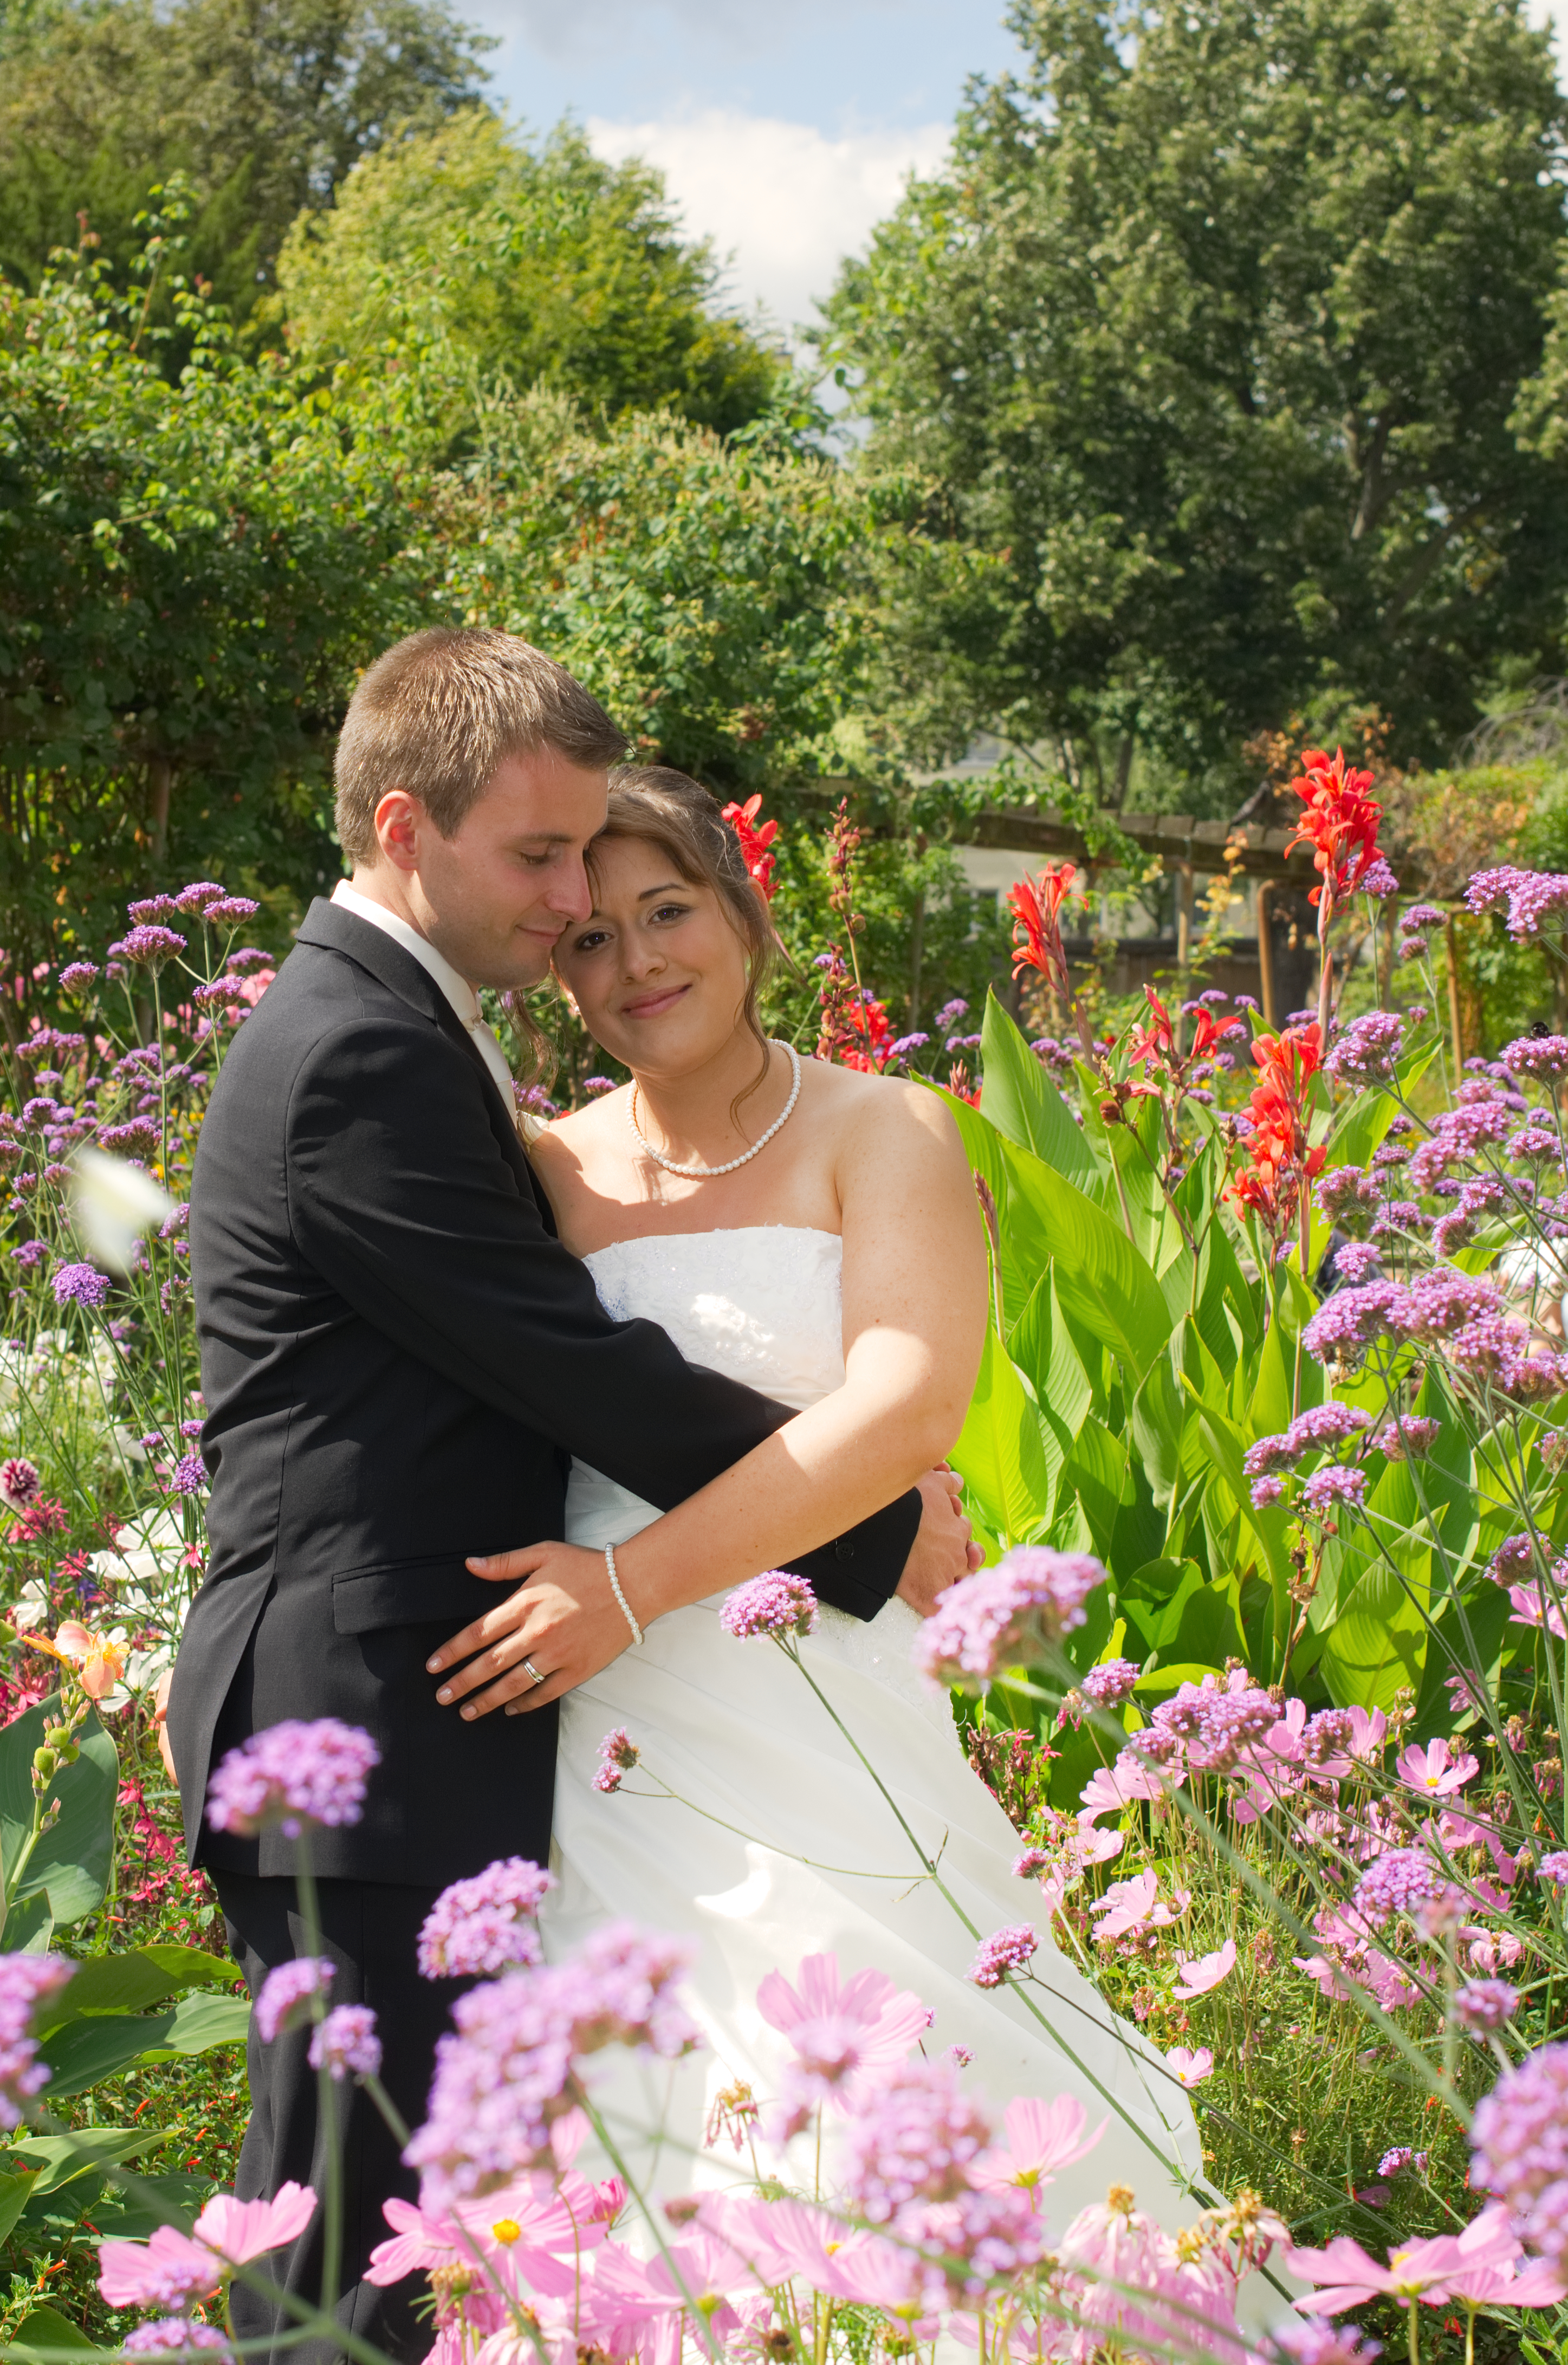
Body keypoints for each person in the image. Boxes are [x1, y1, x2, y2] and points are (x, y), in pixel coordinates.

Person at [164, 632, 975, 2363]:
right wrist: (877, 1528)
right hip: (374, 1713)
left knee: (452, 2236)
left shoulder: (416, 1035)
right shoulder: (360, 1055)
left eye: (624, 883)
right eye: (544, 868)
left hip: (511, 1713)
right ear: (405, 828)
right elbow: (570, 1366)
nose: (574, 917)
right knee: (348, 2265)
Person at [439, 766, 1205, 2236]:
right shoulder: (541, 1170)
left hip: (825, 1685)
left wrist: (630, 1586)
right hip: (610, 1727)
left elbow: (905, 1409)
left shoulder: (885, 1130)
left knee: (900, 2088)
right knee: (649, 2133)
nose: (639, 961)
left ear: (746, 909)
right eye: (592, 938)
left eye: (668, 911)